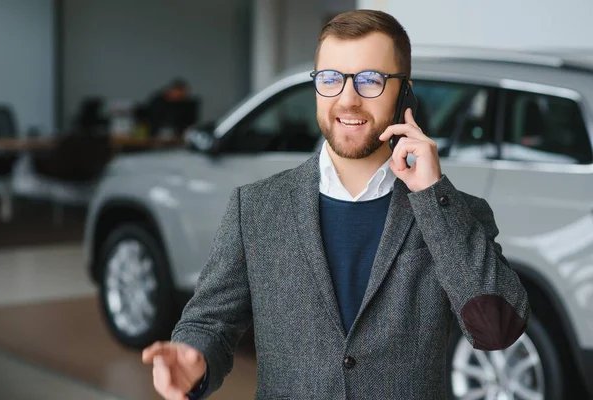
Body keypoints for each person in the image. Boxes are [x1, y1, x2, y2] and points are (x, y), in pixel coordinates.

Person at [142, 9, 530, 400]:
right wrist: (194, 355)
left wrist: (432, 194)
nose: (347, 99)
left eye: (370, 80)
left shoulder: (452, 211)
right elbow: (210, 323)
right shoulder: (256, 208)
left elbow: (497, 330)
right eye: (330, 79)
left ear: (404, 91)